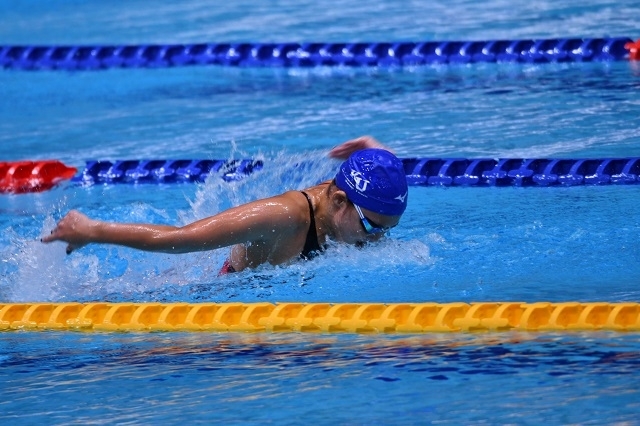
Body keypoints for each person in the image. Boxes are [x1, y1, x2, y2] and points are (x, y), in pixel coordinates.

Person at [42, 136, 409, 273]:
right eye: (372, 228)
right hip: (214, 289)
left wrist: (377, 153)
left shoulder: (358, 207)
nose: (379, 239)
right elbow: (180, 237)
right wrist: (94, 230)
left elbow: (381, 188)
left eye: (386, 229)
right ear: (340, 201)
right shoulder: (282, 217)